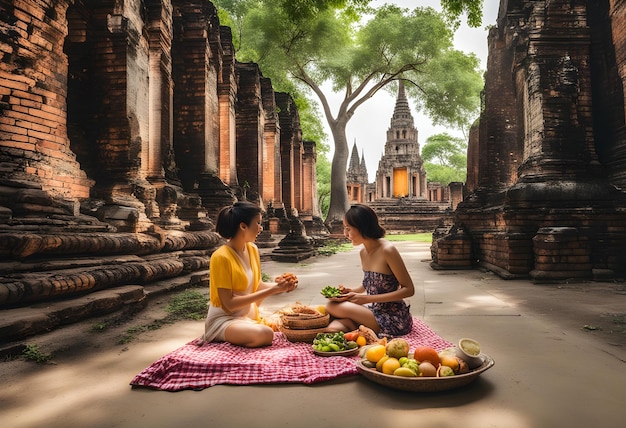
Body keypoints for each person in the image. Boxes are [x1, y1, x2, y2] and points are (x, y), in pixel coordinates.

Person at [202, 201, 297, 347]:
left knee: (284, 325)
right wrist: (273, 290)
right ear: (243, 226)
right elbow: (228, 304)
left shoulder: (252, 249)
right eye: (258, 223)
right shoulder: (220, 257)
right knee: (265, 334)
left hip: (246, 317)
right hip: (225, 320)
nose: (260, 228)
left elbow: (257, 286)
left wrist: (282, 286)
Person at [325, 204, 414, 337]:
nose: (345, 234)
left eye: (348, 228)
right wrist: (350, 292)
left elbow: (409, 289)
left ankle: (358, 328)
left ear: (362, 227)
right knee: (333, 328)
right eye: (345, 229)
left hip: (393, 317)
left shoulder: (387, 250)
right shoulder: (363, 252)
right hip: (374, 311)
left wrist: (366, 299)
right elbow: (369, 283)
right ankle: (356, 329)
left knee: (332, 307)